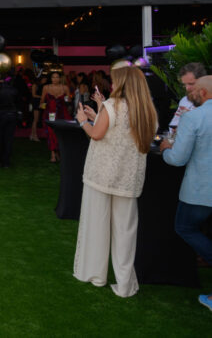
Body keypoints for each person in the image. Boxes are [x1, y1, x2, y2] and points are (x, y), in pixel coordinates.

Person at [73, 64, 157, 298]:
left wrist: (83, 120)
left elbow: (97, 134)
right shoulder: (147, 110)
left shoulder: (113, 105)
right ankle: (125, 285)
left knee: (96, 226)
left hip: (101, 174)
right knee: (125, 232)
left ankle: (96, 275)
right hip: (128, 178)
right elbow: (121, 133)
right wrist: (99, 113)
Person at [159, 75, 212, 311]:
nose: (189, 92)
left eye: (193, 89)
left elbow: (178, 159)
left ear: (202, 93)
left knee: (185, 227)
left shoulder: (194, 117)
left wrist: (165, 149)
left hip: (201, 190)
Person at [41, 71, 72, 162]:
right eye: (53, 77)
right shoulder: (46, 87)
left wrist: (67, 99)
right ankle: (53, 155)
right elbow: (42, 101)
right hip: (50, 114)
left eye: (57, 77)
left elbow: (68, 101)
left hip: (62, 113)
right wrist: (44, 109)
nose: (55, 79)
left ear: (60, 78)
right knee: (51, 133)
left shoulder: (65, 87)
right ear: (50, 78)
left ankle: (58, 153)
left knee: (61, 134)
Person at [169, 63, 207, 132]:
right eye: (184, 85)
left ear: (203, 80)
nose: (187, 88)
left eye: (191, 84)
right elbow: (172, 129)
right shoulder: (185, 100)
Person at [0, 77, 18, 167]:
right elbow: (18, 102)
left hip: (0, 115)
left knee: (0, 137)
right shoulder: (14, 90)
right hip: (11, 115)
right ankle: (6, 161)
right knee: (9, 138)